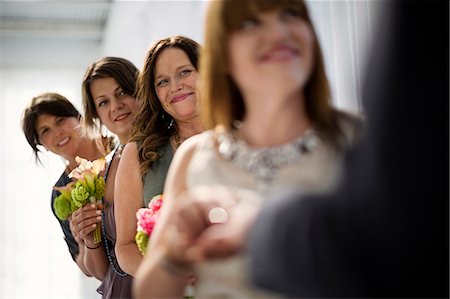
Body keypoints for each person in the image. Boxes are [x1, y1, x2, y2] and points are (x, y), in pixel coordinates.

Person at [138, 1, 449, 298]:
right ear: (223, 56)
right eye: (249, 22)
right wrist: (173, 256)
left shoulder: (359, 140)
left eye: (290, 14)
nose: (278, 33)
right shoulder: (195, 157)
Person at [114, 35, 203, 277]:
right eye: (162, 81)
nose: (175, 86)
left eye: (184, 72)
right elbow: (124, 247)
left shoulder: (242, 137)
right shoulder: (137, 153)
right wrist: (167, 278)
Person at [68, 56, 140, 299]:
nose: (116, 106)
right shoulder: (98, 172)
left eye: (123, 93)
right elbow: (101, 271)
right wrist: (89, 239)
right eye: (103, 102)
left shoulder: (171, 148)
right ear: (96, 114)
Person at [21, 92, 111, 277]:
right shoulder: (60, 194)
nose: (57, 132)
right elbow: (87, 270)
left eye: (60, 120)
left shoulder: (118, 148)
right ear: (41, 145)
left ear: (78, 117)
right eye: (45, 131)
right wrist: (81, 239)